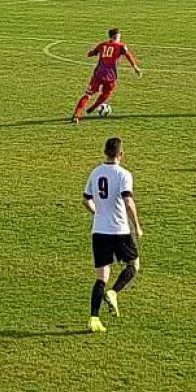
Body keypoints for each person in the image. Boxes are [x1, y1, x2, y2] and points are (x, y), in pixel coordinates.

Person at [83, 137, 143, 334]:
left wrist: (97, 213)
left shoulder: (95, 172)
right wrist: (137, 225)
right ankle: (114, 292)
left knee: (101, 276)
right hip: (119, 230)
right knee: (133, 265)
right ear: (121, 155)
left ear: (104, 153)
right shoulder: (124, 174)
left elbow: (86, 200)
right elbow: (128, 202)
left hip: (99, 231)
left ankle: (94, 318)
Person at [72, 28, 141, 123]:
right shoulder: (121, 46)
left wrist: (91, 53)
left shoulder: (102, 45)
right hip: (110, 76)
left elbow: (91, 53)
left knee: (88, 95)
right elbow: (128, 55)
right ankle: (94, 106)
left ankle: (76, 115)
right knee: (106, 94)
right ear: (116, 37)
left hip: (98, 75)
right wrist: (135, 67)